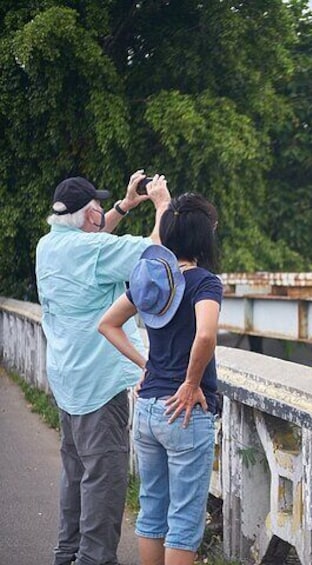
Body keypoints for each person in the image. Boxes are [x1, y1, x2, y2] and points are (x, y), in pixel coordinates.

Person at [35, 171, 170, 565]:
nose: (100, 213)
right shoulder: (91, 252)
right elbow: (155, 253)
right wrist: (161, 205)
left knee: (76, 473)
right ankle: (93, 559)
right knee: (104, 478)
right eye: (96, 208)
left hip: (67, 377)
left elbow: (92, 241)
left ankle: (68, 553)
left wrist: (125, 205)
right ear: (86, 216)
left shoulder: (50, 245)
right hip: (99, 382)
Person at [99, 193, 223, 565]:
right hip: (184, 412)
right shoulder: (205, 282)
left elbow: (107, 324)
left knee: (152, 513)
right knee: (184, 521)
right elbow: (205, 335)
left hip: (149, 409)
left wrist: (147, 366)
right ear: (205, 238)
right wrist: (190, 382)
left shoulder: (153, 277)